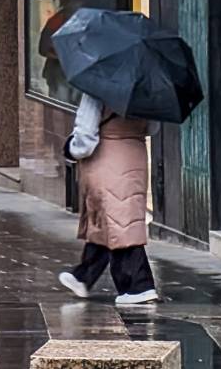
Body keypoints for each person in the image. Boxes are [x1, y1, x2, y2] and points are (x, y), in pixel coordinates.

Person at [59, 94, 160, 304]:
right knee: (115, 217)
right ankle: (83, 276)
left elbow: (85, 138)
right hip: (134, 154)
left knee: (119, 221)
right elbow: (153, 128)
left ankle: (138, 285)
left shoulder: (96, 89)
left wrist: (71, 149)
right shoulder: (146, 89)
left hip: (106, 157)